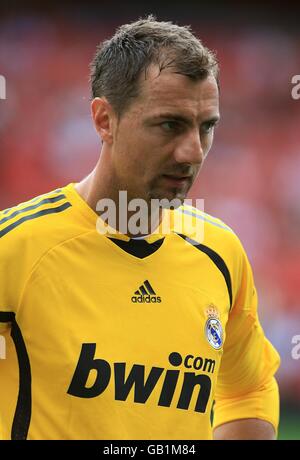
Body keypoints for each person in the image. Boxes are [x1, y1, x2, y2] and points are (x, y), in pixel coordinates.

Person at [0, 16, 280, 440]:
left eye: (207, 127)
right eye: (169, 124)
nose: (192, 152)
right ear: (103, 120)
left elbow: (248, 388)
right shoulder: (18, 248)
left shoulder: (220, 253)